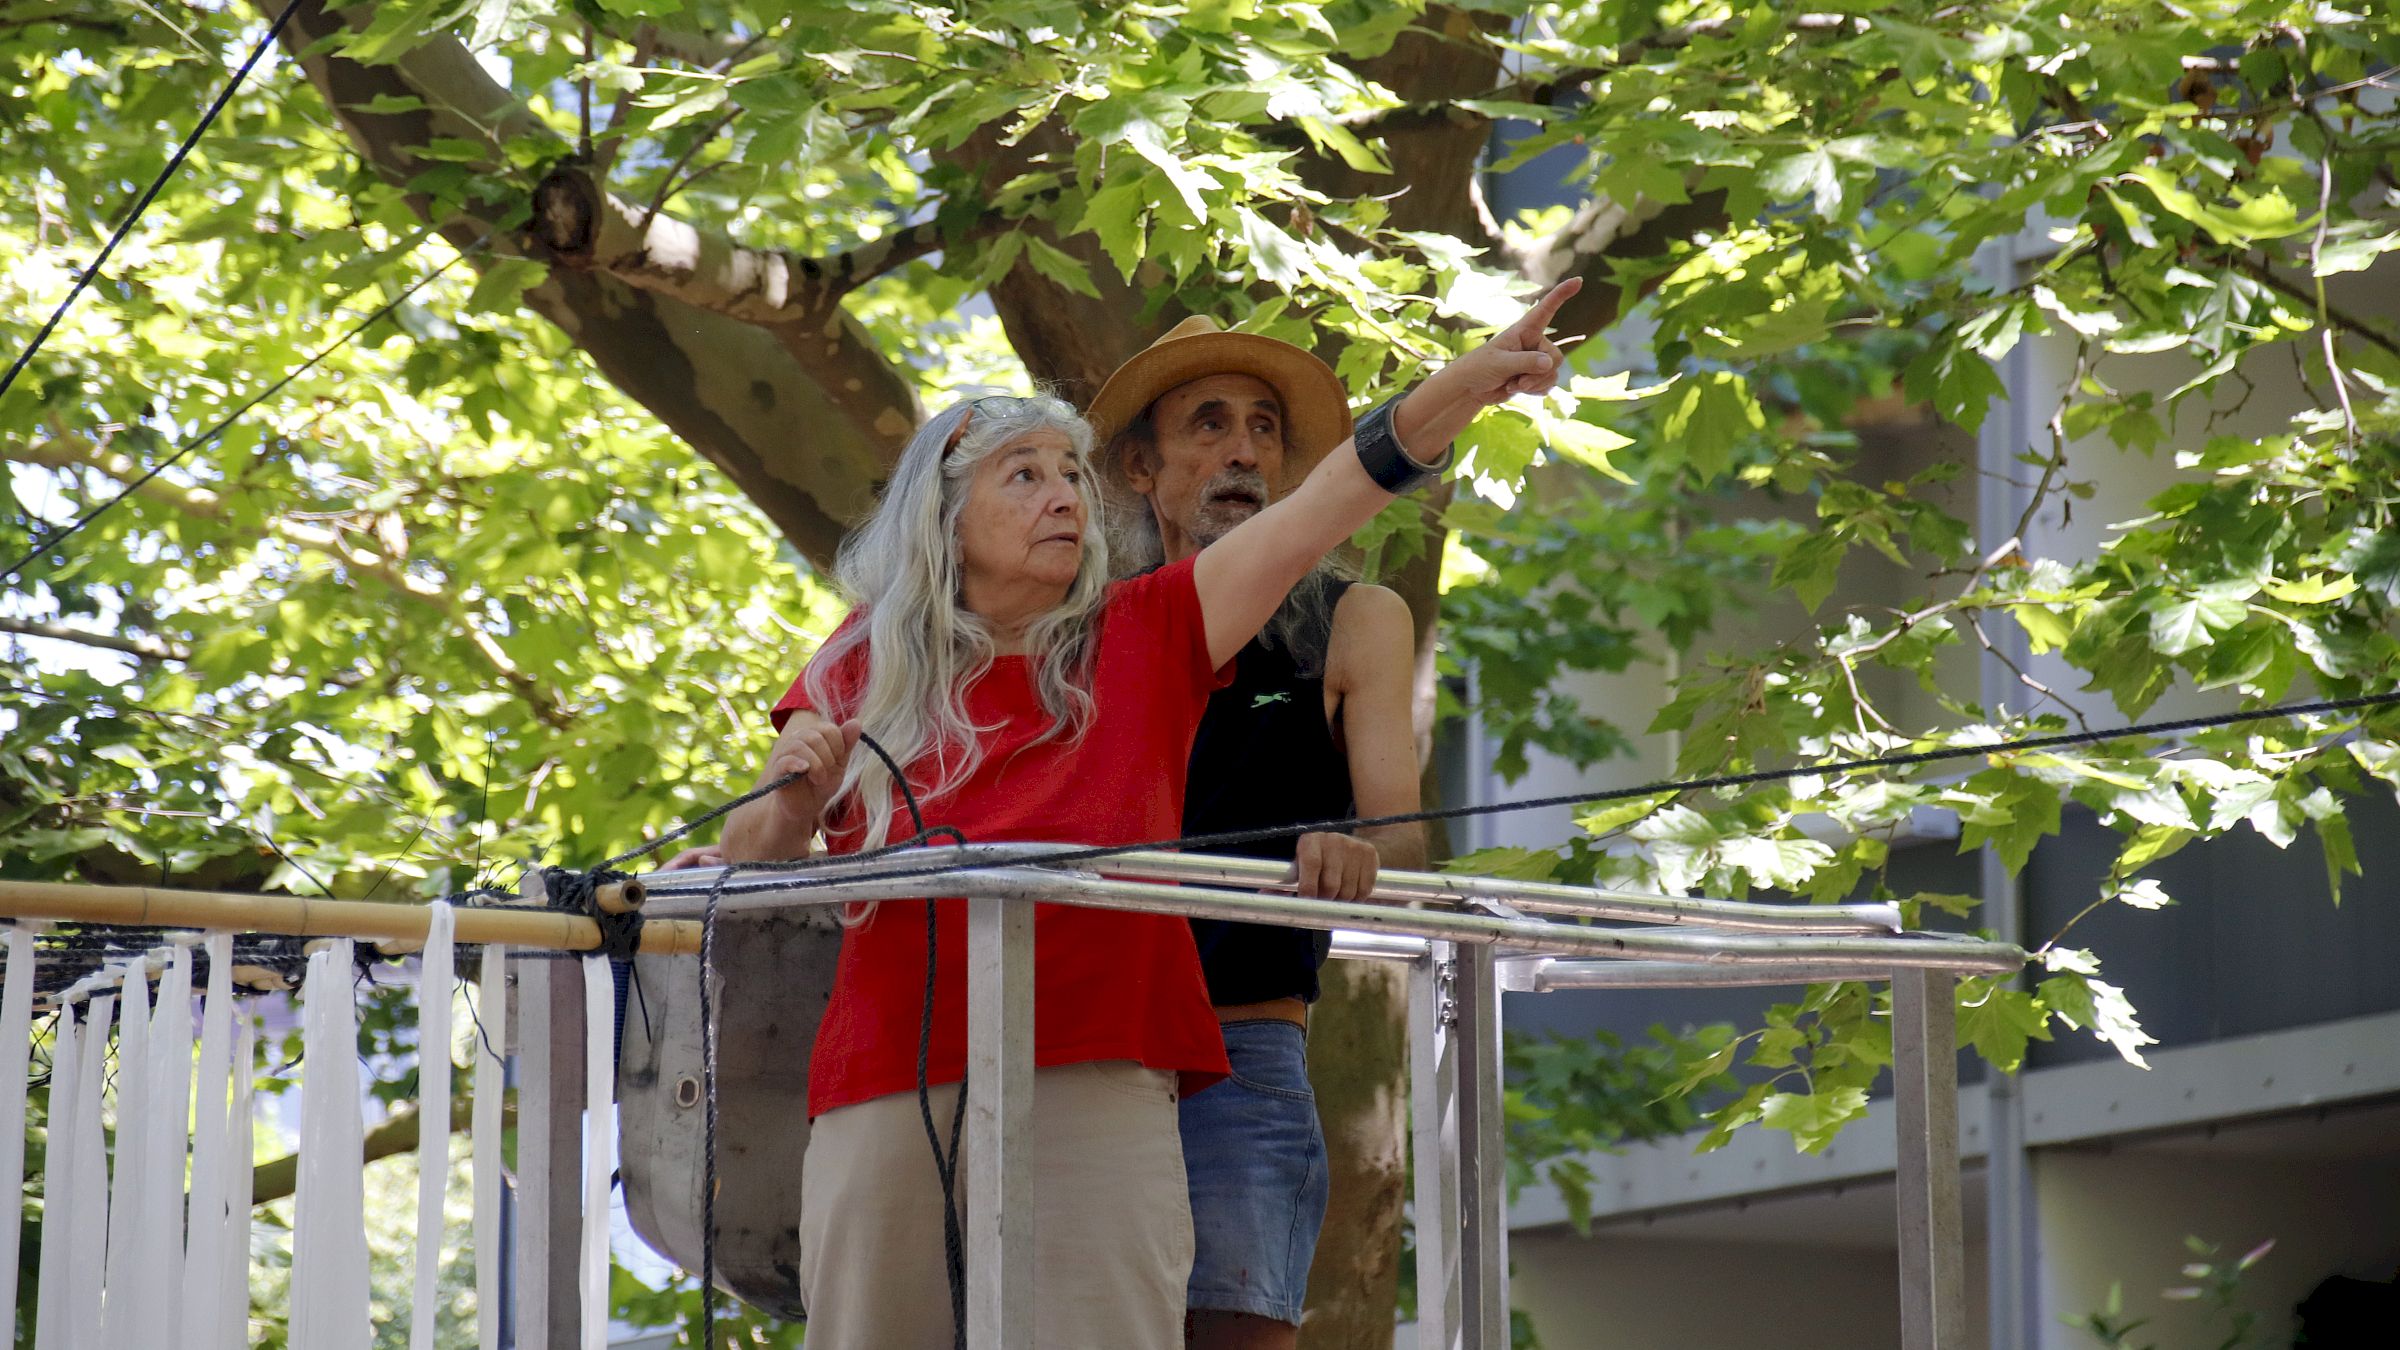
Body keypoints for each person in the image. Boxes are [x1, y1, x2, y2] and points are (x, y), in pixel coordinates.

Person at [715, 279, 1578, 1350]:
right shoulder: (864, 653)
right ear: (943, 515)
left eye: (1071, 472)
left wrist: (1468, 386)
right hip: (890, 1071)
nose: (1063, 495)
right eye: (1023, 474)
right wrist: (797, 783)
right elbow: (742, 861)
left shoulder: (1148, 629)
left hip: (1105, 1069)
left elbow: (1331, 504)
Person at [1089, 319, 1426, 1348]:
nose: (1243, 450)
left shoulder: (1355, 617)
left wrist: (1353, 853)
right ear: (1142, 466)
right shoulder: (1085, 629)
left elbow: (1404, 842)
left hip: (1246, 1043)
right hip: (1087, 1049)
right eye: (1210, 423)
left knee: (1238, 1336)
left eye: (1266, 429)